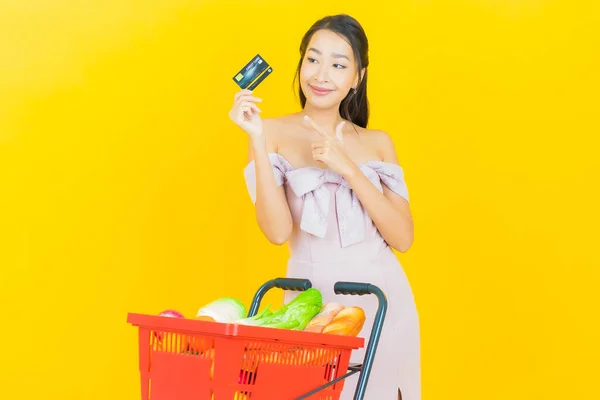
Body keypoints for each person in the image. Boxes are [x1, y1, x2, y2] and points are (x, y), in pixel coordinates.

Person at [229, 14, 420, 400]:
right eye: (313, 59)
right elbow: (277, 232)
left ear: (357, 77)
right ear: (300, 64)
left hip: (384, 304)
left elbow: (402, 238)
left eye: (338, 64)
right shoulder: (270, 132)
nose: (321, 74)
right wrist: (256, 140)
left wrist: (347, 166)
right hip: (310, 304)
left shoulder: (378, 142)